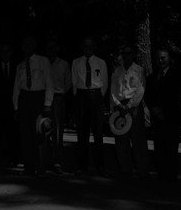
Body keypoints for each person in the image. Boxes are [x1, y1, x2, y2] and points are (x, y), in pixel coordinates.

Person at [13, 35, 54, 176]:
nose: (27, 47)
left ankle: (41, 166)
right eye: (24, 45)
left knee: (40, 133)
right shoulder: (20, 65)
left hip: (38, 98)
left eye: (30, 44)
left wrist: (47, 104)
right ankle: (28, 167)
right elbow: (16, 88)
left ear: (34, 46)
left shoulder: (43, 61)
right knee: (26, 134)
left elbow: (49, 83)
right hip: (25, 99)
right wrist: (16, 107)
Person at [144, 47, 181, 181]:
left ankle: (171, 178)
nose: (161, 61)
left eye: (163, 58)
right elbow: (148, 95)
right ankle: (161, 176)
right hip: (157, 119)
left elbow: (177, 97)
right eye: (158, 58)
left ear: (169, 59)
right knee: (159, 149)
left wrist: (164, 111)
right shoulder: (152, 77)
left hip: (171, 118)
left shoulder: (177, 76)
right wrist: (154, 109)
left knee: (171, 150)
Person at [71, 36, 109, 177]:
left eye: (90, 46)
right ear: (82, 47)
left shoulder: (101, 62)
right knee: (82, 133)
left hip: (96, 97)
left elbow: (104, 82)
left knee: (98, 133)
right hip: (81, 97)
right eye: (85, 46)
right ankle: (82, 166)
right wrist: (78, 96)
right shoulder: (76, 62)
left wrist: (98, 97)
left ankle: (100, 166)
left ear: (94, 47)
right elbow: (74, 82)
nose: (87, 48)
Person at [110, 44, 150, 178]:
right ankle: (125, 169)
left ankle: (142, 169)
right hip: (120, 106)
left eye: (128, 53)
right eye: (124, 53)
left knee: (137, 139)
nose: (126, 56)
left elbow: (140, 90)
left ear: (133, 55)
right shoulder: (117, 71)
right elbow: (113, 89)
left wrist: (130, 105)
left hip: (133, 106)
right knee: (121, 138)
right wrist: (117, 104)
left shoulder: (139, 70)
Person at [0, 41, 21, 169]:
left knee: (13, 134)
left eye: (8, 51)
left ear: (11, 53)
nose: (5, 54)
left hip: (13, 106)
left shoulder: (17, 67)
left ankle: (15, 158)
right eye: (3, 51)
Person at [45, 38, 72, 175]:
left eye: (54, 46)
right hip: (43, 99)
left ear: (58, 48)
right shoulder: (42, 63)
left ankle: (56, 160)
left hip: (58, 99)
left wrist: (60, 93)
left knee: (57, 131)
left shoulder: (64, 64)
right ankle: (42, 159)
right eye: (49, 46)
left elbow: (68, 83)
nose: (51, 49)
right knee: (43, 129)